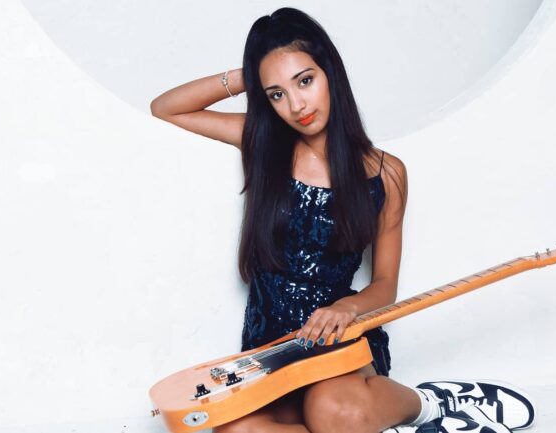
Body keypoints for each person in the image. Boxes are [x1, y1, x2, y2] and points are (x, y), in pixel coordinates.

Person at [150, 7, 535, 433]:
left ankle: (428, 404)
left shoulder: (387, 174)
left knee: (332, 409)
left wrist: (345, 308)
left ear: (330, 72)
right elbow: (166, 108)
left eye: (305, 81)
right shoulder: (261, 143)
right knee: (232, 430)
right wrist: (250, 74)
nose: (296, 105)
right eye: (276, 94)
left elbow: (385, 283)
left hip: (341, 345)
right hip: (272, 351)